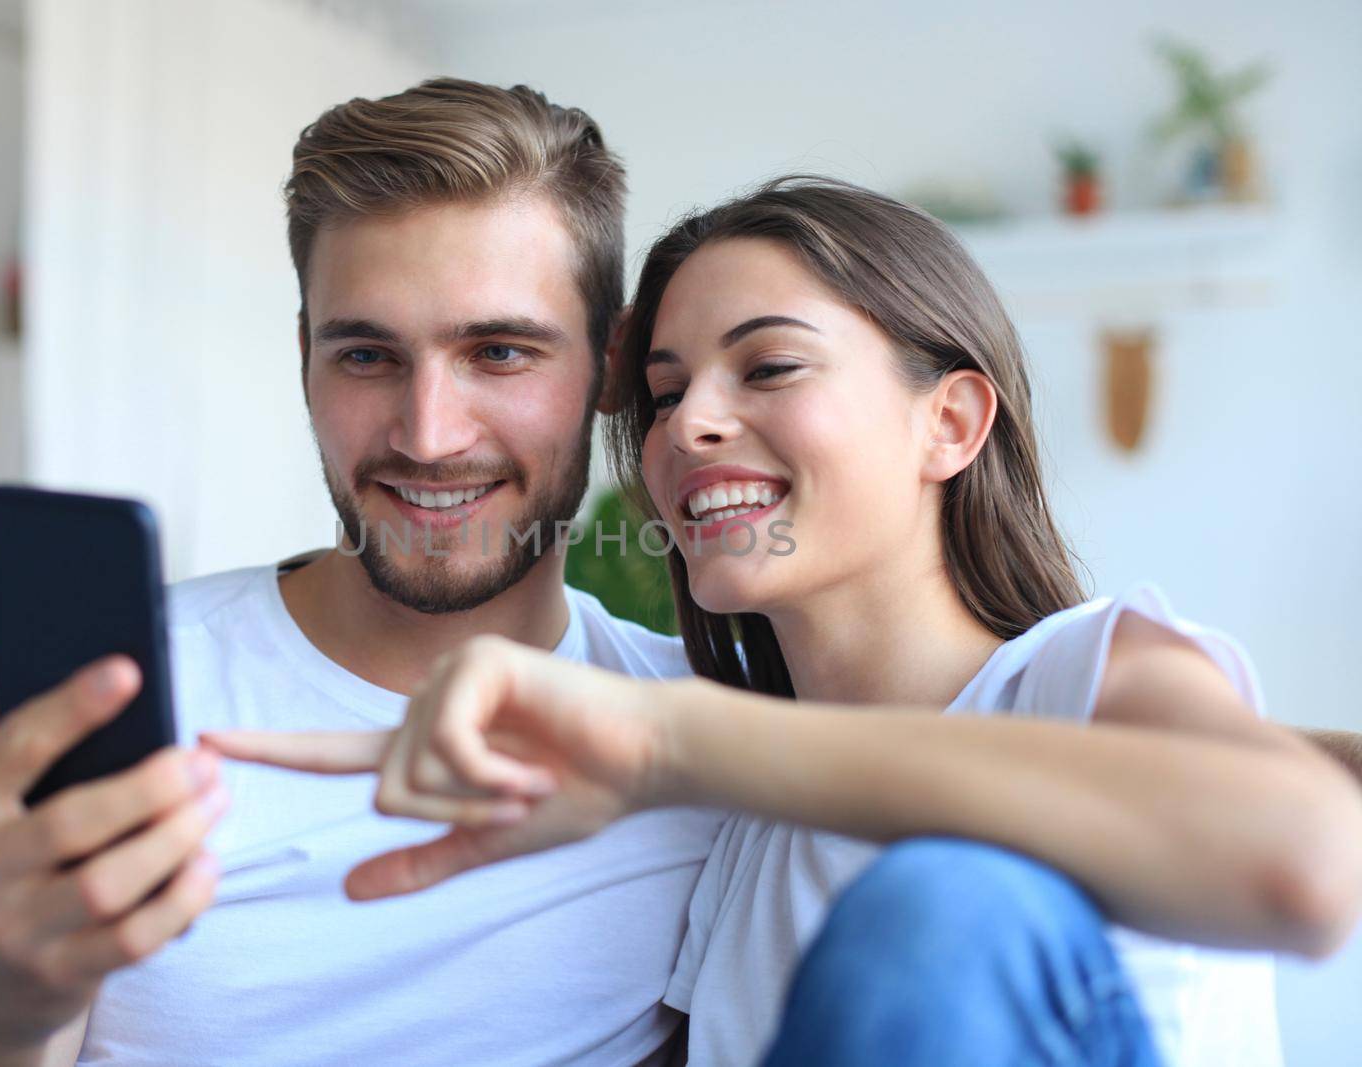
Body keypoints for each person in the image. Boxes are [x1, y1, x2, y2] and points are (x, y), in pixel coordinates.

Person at [207, 176, 1362, 1067]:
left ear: (950, 422)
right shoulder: (741, 834)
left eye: (766, 367)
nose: (690, 424)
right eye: (662, 392)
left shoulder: (1079, 672)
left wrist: (671, 744)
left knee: (943, 905)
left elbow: (1309, 857)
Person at [0, 79, 728, 1066]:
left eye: (498, 351)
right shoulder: (97, 696)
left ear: (610, 363)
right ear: (303, 359)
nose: (428, 435)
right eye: (367, 355)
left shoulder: (699, 734)